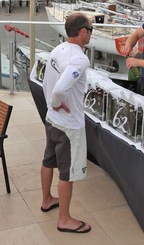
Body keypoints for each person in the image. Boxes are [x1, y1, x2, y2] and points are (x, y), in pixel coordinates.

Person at [41, 13, 92, 234]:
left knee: (48, 160)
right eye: (91, 29)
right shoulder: (80, 59)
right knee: (67, 173)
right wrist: (57, 103)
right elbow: (60, 89)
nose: (91, 32)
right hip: (68, 125)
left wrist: (51, 107)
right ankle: (64, 219)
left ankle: (46, 200)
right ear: (83, 32)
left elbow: (46, 81)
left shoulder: (58, 49)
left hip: (52, 121)